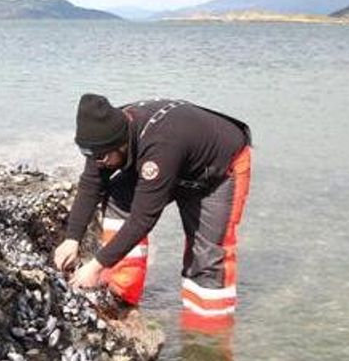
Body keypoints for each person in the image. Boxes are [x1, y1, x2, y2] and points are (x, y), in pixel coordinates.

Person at [54, 93, 252, 330]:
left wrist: (96, 265)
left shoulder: (160, 145)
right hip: (176, 162)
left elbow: (143, 219)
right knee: (118, 200)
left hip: (218, 171)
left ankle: (207, 334)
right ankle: (121, 295)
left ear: (121, 143)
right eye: (89, 156)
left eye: (102, 157)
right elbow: (91, 184)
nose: (97, 161)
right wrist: (72, 238)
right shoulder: (101, 136)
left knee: (207, 255)